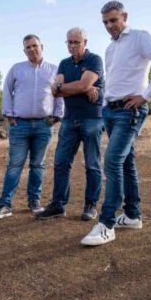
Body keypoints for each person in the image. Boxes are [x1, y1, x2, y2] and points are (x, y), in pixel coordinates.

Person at [81, 1, 151, 246]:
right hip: (110, 111)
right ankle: (132, 215)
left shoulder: (140, 37)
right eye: (105, 23)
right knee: (126, 162)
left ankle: (107, 223)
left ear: (124, 17)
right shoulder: (111, 48)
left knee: (112, 160)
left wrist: (146, 95)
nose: (109, 26)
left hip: (130, 111)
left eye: (113, 20)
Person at [0, 35, 64, 219]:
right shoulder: (16, 69)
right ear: (24, 51)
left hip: (44, 125)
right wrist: (9, 114)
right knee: (15, 164)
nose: (32, 49)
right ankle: (5, 204)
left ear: (42, 46)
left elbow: (60, 94)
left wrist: (57, 115)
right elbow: (6, 91)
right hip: (20, 124)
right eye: (28, 47)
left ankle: (34, 201)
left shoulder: (54, 70)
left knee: (38, 165)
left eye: (35, 46)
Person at [36, 27, 105, 221]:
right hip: (70, 118)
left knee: (92, 164)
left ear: (85, 42)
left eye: (77, 42)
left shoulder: (94, 60)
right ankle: (58, 205)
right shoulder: (64, 63)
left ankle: (90, 205)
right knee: (61, 163)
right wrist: (83, 88)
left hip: (92, 117)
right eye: (70, 42)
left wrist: (69, 87)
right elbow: (56, 91)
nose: (73, 46)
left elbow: (74, 86)